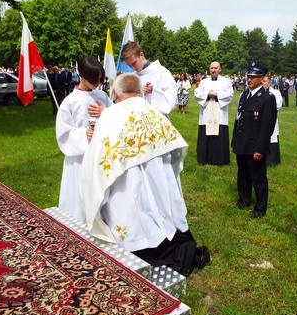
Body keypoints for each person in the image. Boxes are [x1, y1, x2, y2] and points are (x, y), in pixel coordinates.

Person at [81, 73, 210, 276]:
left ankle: (138, 246)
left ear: (116, 94)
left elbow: (97, 159)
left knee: (130, 213)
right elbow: (176, 148)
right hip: (158, 178)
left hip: (122, 181)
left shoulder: (110, 116)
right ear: (140, 92)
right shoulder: (154, 113)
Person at [56, 57, 113, 223]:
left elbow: (116, 117)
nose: (98, 83)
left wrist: (105, 112)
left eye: (101, 79)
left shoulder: (102, 96)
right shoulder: (70, 102)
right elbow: (63, 132)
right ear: (82, 75)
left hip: (100, 154)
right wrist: (83, 134)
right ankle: (77, 224)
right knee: (79, 195)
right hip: (79, 157)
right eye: (94, 79)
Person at [231, 63, 277, 218]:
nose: (249, 79)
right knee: (242, 173)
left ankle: (260, 208)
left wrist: (260, 149)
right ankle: (243, 200)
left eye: (253, 77)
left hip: (255, 145)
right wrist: (234, 141)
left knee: (258, 178)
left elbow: (266, 127)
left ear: (262, 78)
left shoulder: (266, 98)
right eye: (248, 76)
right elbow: (239, 120)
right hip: (242, 142)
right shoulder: (245, 95)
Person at [120, 41, 177, 118]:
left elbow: (172, 101)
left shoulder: (161, 72)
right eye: (129, 65)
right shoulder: (133, 77)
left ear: (141, 55)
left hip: (158, 121)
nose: (133, 68)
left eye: (134, 63)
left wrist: (153, 92)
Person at [194, 61, 234, 165]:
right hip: (206, 111)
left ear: (220, 69)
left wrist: (217, 94)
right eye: (211, 68)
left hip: (220, 112)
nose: (213, 70)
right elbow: (197, 93)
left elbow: (230, 94)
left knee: (218, 133)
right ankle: (204, 158)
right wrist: (207, 94)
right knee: (206, 132)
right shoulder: (204, 81)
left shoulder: (226, 81)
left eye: (216, 68)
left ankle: (219, 159)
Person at [262, 75, 283, 166]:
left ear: (270, 82)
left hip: (271, 118)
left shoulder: (275, 92)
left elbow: (278, 105)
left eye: (265, 81)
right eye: (261, 81)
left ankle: (271, 160)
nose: (262, 83)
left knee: (272, 138)